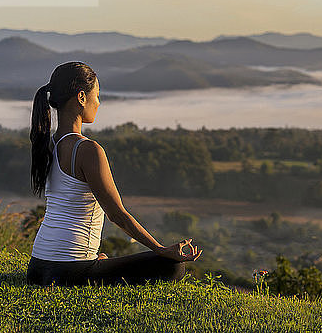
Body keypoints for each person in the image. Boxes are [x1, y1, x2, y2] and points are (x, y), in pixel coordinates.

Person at [27, 61, 202, 286]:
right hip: (70, 271)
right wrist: (161, 249)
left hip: (38, 268)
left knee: (104, 260)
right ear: (82, 97)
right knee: (174, 266)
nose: (98, 102)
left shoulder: (46, 144)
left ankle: (96, 262)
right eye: (97, 95)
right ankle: (96, 264)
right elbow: (116, 214)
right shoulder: (88, 150)